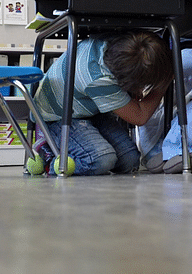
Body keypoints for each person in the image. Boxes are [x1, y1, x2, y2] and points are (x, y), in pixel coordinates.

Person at [32, 30, 174, 175]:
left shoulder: (112, 42)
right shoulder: (98, 78)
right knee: (101, 160)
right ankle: (49, 156)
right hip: (57, 117)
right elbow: (139, 116)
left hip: (89, 110)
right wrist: (164, 83)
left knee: (130, 161)